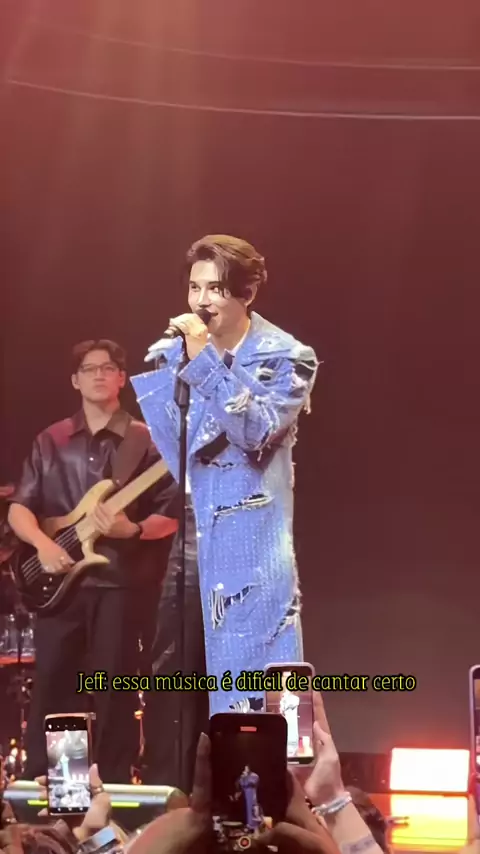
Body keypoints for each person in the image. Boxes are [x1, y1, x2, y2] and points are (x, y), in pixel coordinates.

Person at [131, 235, 318, 791]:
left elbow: (256, 431)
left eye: (215, 288)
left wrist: (204, 364)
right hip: (201, 540)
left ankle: (284, 798)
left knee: (264, 676)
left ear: (246, 293)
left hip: (256, 542)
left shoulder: (286, 356)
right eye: (194, 287)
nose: (201, 301)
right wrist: (183, 366)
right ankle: (210, 799)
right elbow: (181, 456)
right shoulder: (175, 356)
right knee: (192, 677)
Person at [7, 339, 178, 783]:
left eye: (108, 368)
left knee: (114, 690)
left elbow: (171, 515)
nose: (99, 374)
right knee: (54, 686)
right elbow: (19, 508)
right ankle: (57, 786)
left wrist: (132, 530)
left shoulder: (147, 440)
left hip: (121, 585)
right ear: (75, 380)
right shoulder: (51, 440)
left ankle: (112, 787)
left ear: (122, 378)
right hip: (57, 589)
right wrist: (43, 545)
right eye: (89, 368)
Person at [279, 673, 300, 756]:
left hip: (293, 720)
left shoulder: (296, 698)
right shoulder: (283, 698)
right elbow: (282, 709)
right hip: (286, 719)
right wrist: (283, 701)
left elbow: (293, 704)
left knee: (293, 734)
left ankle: (294, 751)